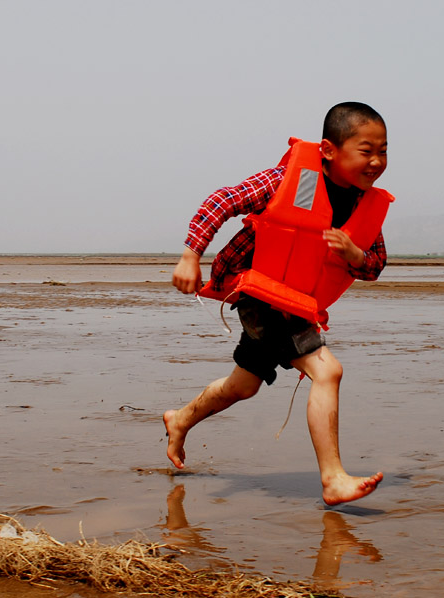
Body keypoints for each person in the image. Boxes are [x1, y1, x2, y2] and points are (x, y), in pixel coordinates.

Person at [165, 102, 390, 505]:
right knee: (327, 372)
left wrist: (356, 255)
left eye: (384, 151)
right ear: (328, 150)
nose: (376, 161)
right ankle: (333, 477)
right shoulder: (293, 180)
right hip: (259, 293)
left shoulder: (363, 203)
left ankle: (180, 418)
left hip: (296, 300)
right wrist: (190, 255)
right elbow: (222, 201)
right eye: (366, 150)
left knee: (243, 385)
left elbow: (374, 266)